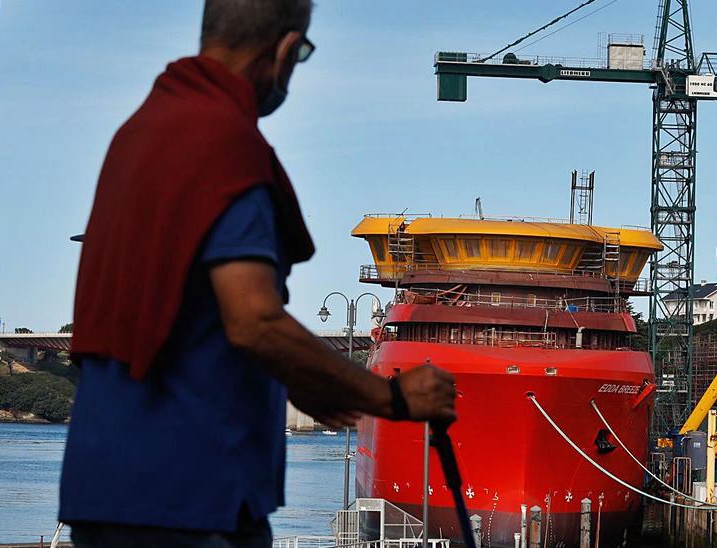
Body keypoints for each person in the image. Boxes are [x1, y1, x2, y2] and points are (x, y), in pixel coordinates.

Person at [60, 1, 456, 546]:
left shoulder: (136, 136)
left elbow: (186, 312)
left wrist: (305, 380)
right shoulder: (225, 145)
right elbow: (254, 321)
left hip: (104, 484)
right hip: (192, 493)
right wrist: (391, 399)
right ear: (287, 50)